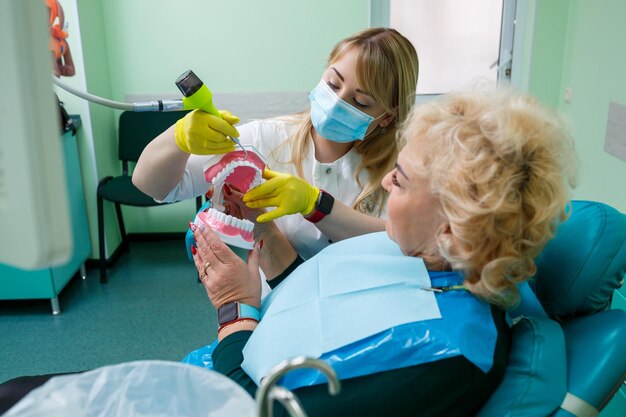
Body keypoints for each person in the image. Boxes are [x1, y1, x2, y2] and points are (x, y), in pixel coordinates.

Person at [190, 88, 577, 416]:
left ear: (452, 226)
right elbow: (317, 302)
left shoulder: (444, 358)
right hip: (239, 354)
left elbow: (256, 408)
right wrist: (264, 229)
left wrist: (233, 308)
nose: (389, 181)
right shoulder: (419, 258)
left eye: (403, 179)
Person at [132, 28, 419, 286]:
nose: (336, 103)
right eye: (332, 84)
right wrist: (178, 138)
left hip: (358, 305)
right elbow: (153, 185)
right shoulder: (263, 140)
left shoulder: (402, 170)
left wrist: (315, 205)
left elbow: (409, 245)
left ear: (387, 116)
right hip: (273, 303)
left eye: (360, 102)